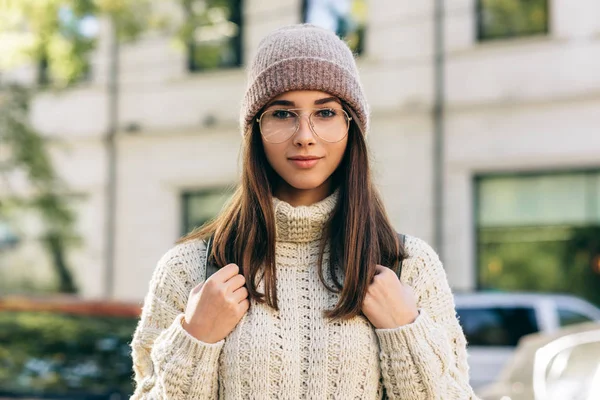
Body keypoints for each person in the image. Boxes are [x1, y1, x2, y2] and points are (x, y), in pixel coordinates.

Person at [130, 24, 478, 399]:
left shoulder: (409, 266)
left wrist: (404, 331)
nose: (305, 135)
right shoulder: (190, 268)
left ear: (352, 127)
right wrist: (195, 338)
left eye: (326, 112)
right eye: (282, 114)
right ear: (256, 131)